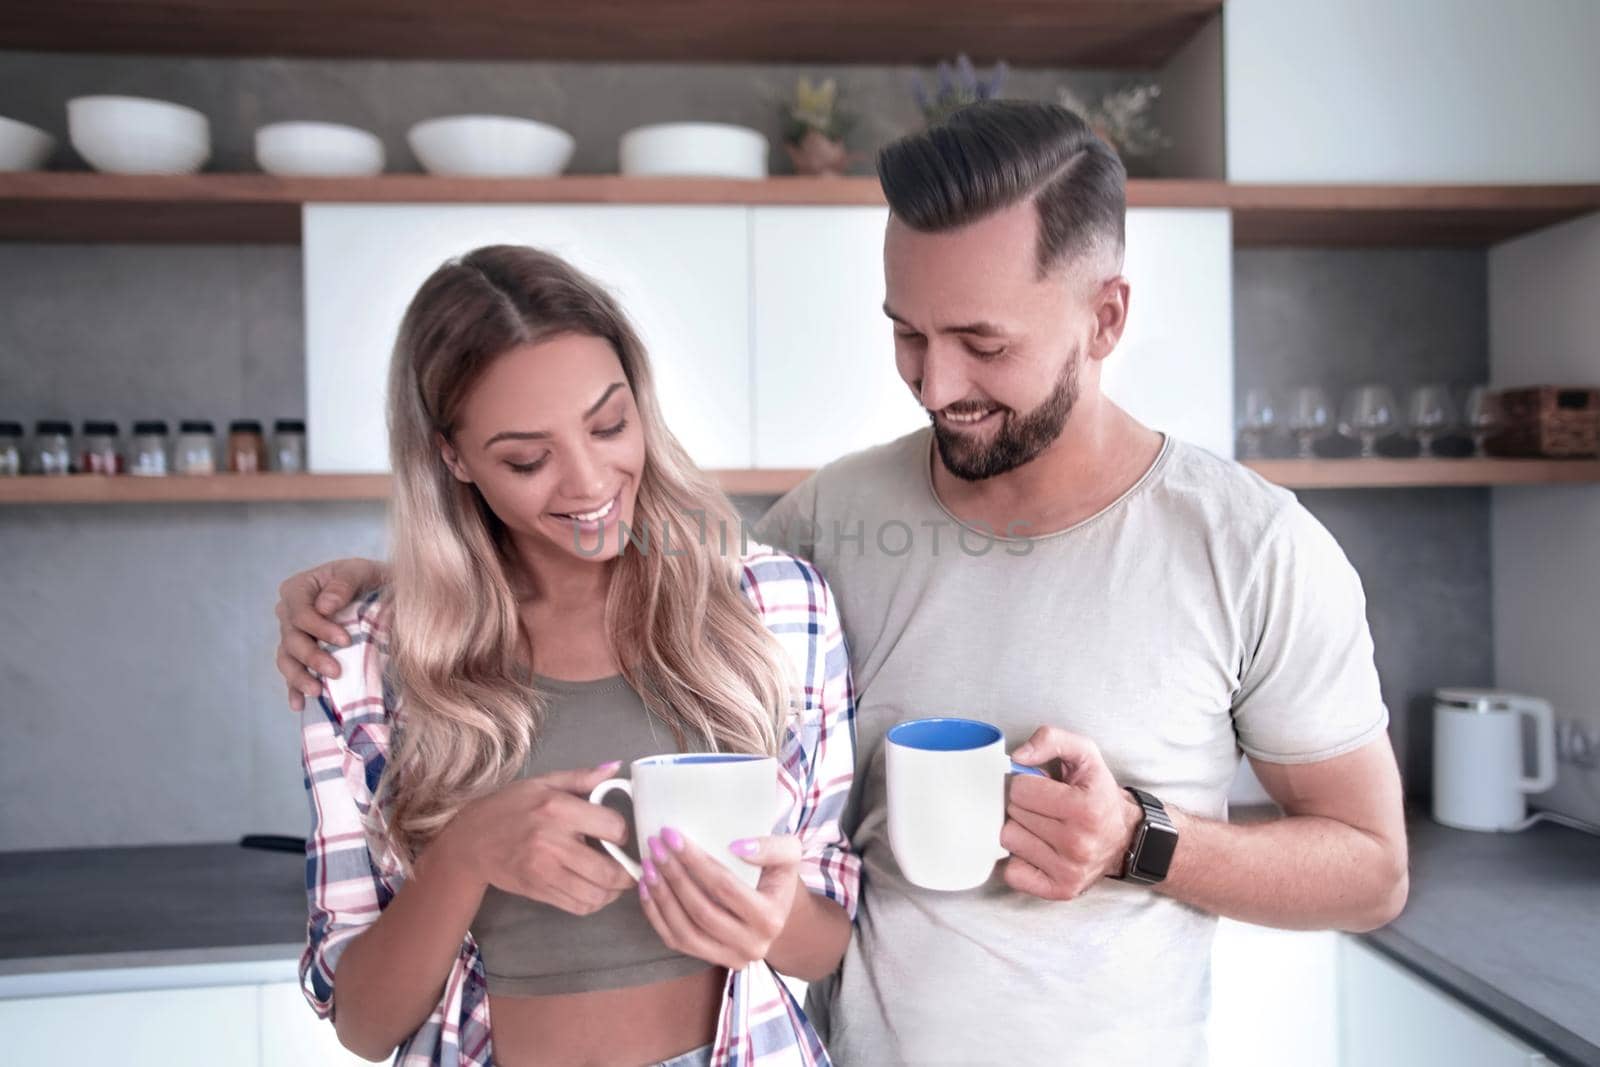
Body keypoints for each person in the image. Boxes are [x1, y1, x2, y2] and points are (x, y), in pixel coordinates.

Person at [278, 103, 1407, 1066]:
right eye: (907, 335)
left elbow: (1369, 872)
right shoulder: (829, 526)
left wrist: (1140, 841)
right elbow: (620, 561)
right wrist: (400, 577)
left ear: (1105, 315)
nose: (935, 382)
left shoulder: (1252, 548)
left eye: (980, 340)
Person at [295, 244, 858, 1067]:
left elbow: (830, 939)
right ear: (453, 458)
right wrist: (467, 854)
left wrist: (772, 923)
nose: (591, 479)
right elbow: (363, 1023)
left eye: (609, 424)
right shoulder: (362, 658)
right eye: (527, 458)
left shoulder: (776, 608)